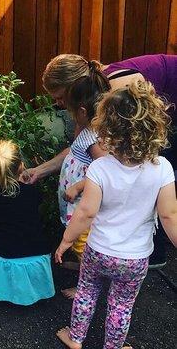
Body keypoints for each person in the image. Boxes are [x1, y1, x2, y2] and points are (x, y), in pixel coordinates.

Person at [55, 80, 177, 349]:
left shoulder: (101, 168)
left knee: (86, 292)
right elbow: (169, 215)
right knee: (121, 305)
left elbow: (86, 213)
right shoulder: (162, 169)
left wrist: (66, 240)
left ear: (107, 126)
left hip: (98, 250)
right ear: (155, 126)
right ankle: (114, 346)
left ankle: (75, 338)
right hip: (135, 258)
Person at [28, 53, 177, 268]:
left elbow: (134, 155)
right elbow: (79, 148)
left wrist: (83, 185)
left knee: (157, 171)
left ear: (75, 85)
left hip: (167, 100)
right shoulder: (90, 101)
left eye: (60, 97)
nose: (58, 104)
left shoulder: (119, 91)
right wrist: (40, 171)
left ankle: (152, 252)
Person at [0, 140, 55, 305]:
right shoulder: (33, 192)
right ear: (21, 166)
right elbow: (36, 217)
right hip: (39, 257)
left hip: (6, 259)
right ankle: (37, 286)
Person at [58, 70, 108, 298]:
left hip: (82, 200)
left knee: (82, 243)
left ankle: (87, 287)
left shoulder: (92, 137)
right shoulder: (90, 131)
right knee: (81, 240)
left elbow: (108, 169)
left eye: (71, 112)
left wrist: (78, 186)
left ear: (82, 111)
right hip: (77, 199)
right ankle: (82, 268)